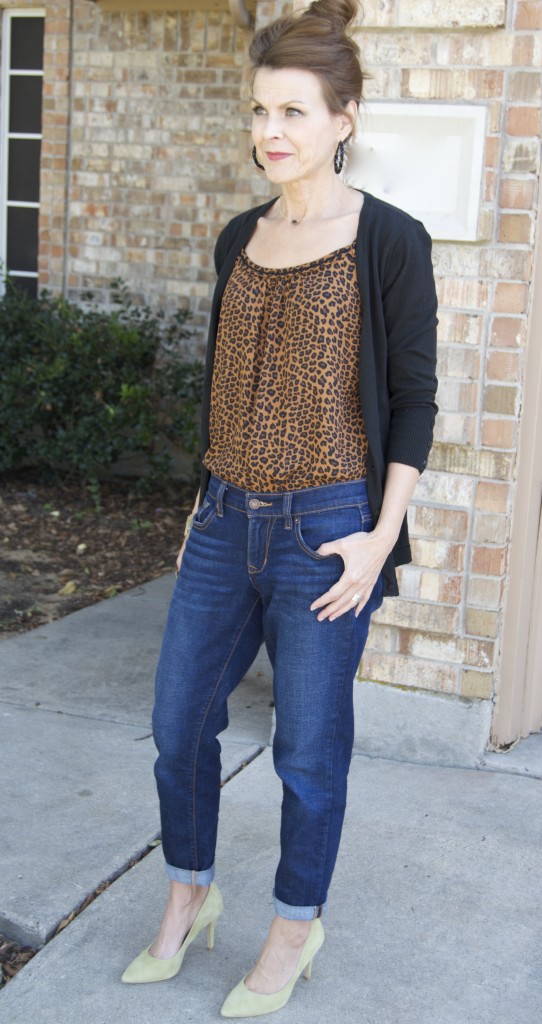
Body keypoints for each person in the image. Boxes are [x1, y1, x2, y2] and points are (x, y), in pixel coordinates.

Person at [121, 0, 438, 1016]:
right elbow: (225, 383)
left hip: (326, 527)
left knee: (306, 746)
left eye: (294, 112)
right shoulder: (234, 238)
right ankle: (189, 893)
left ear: (343, 119)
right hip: (223, 519)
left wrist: (376, 541)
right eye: (260, 111)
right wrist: (197, 506)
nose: (271, 132)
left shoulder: (388, 241)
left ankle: (294, 922)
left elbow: (411, 397)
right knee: (178, 726)